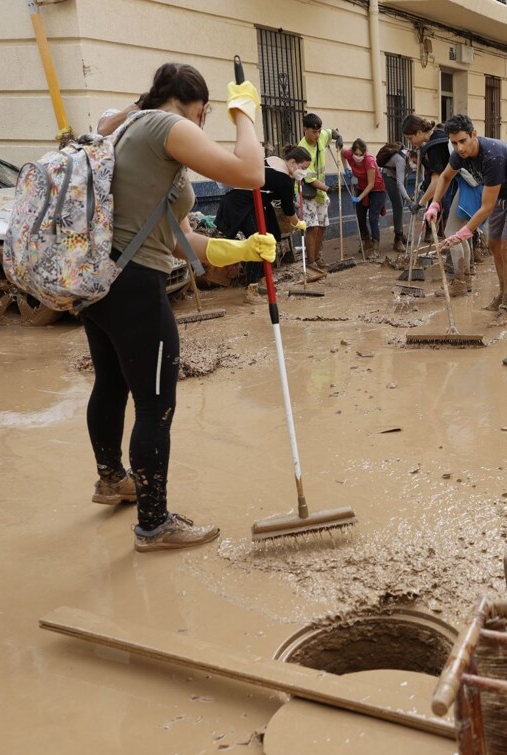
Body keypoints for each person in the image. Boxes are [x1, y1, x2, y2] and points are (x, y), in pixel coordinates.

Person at [82, 63, 274, 551]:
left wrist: (237, 249)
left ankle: (112, 479)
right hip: (134, 286)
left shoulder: (128, 128)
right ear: (201, 109)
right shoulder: (170, 126)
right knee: (155, 405)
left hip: (99, 281)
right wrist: (246, 116)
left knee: (111, 382)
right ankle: (154, 524)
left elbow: (177, 239)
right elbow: (252, 172)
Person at [424, 114, 507, 325]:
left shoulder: (492, 157)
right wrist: (435, 203)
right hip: (502, 193)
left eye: (463, 141)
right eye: (454, 143)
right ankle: (502, 292)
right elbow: (445, 177)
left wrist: (463, 233)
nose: (459, 148)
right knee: (493, 244)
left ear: (473, 135)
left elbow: (486, 207)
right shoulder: (459, 155)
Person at [216, 146, 311, 283]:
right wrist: (298, 223)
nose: (304, 172)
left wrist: (290, 202)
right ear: (292, 162)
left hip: (251, 203)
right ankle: (252, 286)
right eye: (303, 168)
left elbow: (272, 190)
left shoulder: (275, 160)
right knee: (260, 243)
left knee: (270, 235)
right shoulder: (284, 179)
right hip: (242, 205)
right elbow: (288, 211)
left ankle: (260, 278)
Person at [402, 114, 472, 292]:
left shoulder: (433, 147)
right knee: (461, 234)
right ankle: (465, 278)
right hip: (470, 186)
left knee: (451, 234)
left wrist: (421, 202)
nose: (411, 143)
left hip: (458, 189)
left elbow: (437, 181)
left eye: (411, 138)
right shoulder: (441, 136)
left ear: (419, 132)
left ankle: (459, 283)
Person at [297, 113, 334, 271]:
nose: (317, 135)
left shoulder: (321, 136)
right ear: (305, 129)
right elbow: (310, 180)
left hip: (320, 194)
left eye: (319, 132)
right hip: (306, 193)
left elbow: (331, 132)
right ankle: (311, 261)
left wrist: (338, 137)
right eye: (314, 132)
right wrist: (328, 189)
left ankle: (318, 257)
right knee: (313, 227)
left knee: (323, 225)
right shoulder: (302, 149)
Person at [342, 139, 387, 254]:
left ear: (364, 153)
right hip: (362, 187)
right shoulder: (349, 155)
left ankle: (375, 243)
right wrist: (346, 168)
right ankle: (366, 241)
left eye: (361, 154)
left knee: (373, 217)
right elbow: (342, 152)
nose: (358, 157)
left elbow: (371, 184)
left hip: (377, 189)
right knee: (360, 215)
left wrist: (359, 198)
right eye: (356, 154)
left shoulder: (369, 161)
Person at [379, 142, 411, 252]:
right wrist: (408, 197)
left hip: (401, 176)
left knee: (401, 205)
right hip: (389, 177)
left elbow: (420, 177)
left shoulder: (418, 158)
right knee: (399, 206)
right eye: (414, 163)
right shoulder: (401, 160)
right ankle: (398, 239)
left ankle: (400, 233)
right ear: (410, 157)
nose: (415, 165)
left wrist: (418, 192)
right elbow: (399, 184)